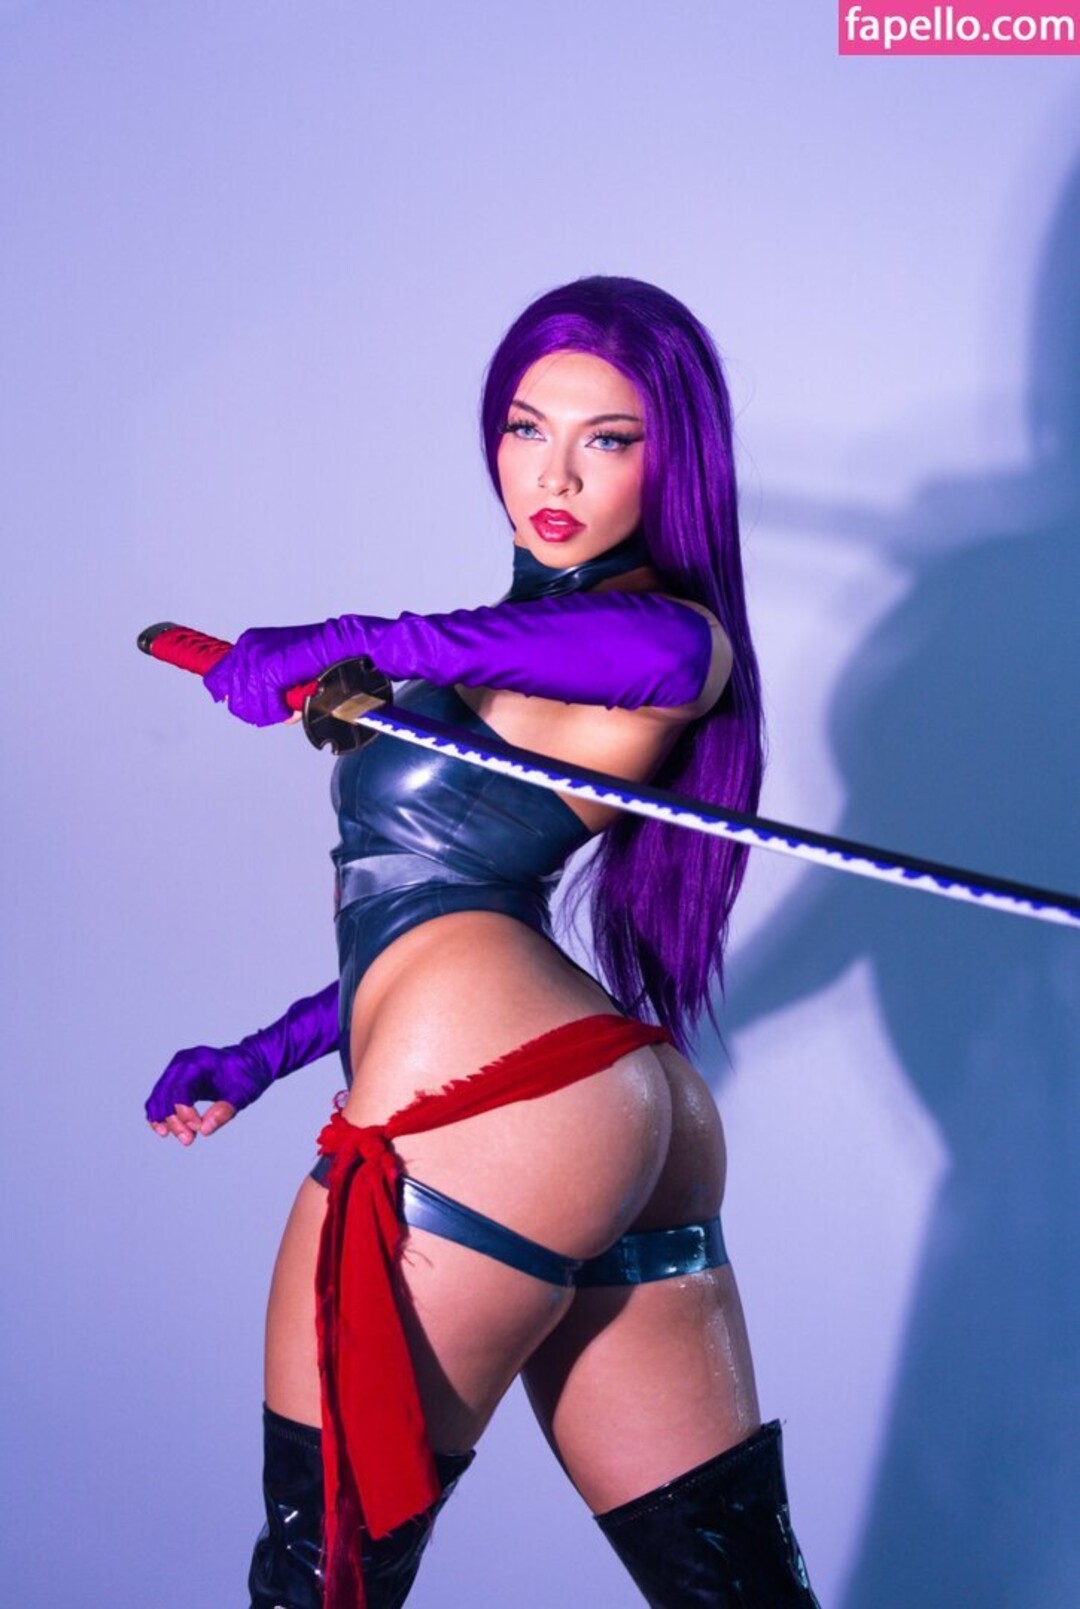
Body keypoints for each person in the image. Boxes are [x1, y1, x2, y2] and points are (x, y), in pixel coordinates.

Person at [146, 275, 820, 1609]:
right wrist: (267, 1051)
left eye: (609, 439)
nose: (554, 474)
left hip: (491, 1112)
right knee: (734, 1593)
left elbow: (635, 656)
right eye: (526, 428)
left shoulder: (660, 636)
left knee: (320, 1581)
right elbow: (429, 903)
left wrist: (355, 640)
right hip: (589, 1099)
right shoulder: (502, 659)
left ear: (674, 459)